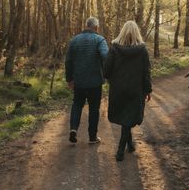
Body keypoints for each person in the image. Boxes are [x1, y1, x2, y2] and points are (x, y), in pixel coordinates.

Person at [103, 21, 152, 161]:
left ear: (122, 32)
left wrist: (114, 78)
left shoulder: (114, 49)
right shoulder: (142, 50)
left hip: (118, 90)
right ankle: (121, 150)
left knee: (126, 118)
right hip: (135, 90)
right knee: (128, 117)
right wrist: (148, 89)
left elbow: (106, 71)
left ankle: (128, 145)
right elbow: (146, 73)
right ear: (137, 33)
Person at [65, 16, 109, 144]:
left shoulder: (74, 40)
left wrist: (69, 79)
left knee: (77, 104)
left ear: (86, 26)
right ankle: (92, 137)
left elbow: (68, 61)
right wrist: (108, 73)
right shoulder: (100, 40)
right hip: (95, 82)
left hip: (78, 81)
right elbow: (106, 56)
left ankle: (73, 129)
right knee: (94, 108)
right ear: (96, 27)